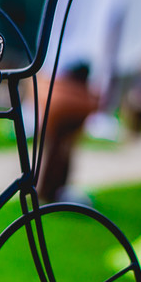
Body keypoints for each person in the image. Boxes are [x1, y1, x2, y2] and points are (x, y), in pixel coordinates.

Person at [35, 65, 100, 203]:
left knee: (53, 155)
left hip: (54, 124)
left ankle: (46, 192)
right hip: (65, 127)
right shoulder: (82, 96)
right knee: (62, 156)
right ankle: (52, 192)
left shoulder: (59, 88)